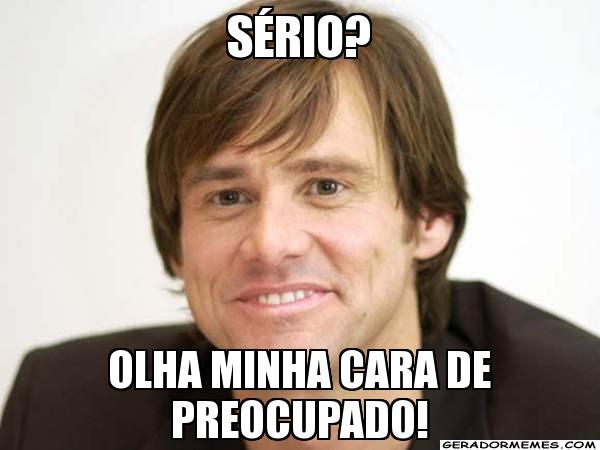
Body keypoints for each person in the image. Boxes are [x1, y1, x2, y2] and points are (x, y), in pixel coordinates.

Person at [1, 0, 599, 448]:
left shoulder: (576, 412)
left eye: (326, 187)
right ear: (177, 241)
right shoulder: (60, 413)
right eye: (228, 197)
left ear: (428, 218)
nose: (270, 242)